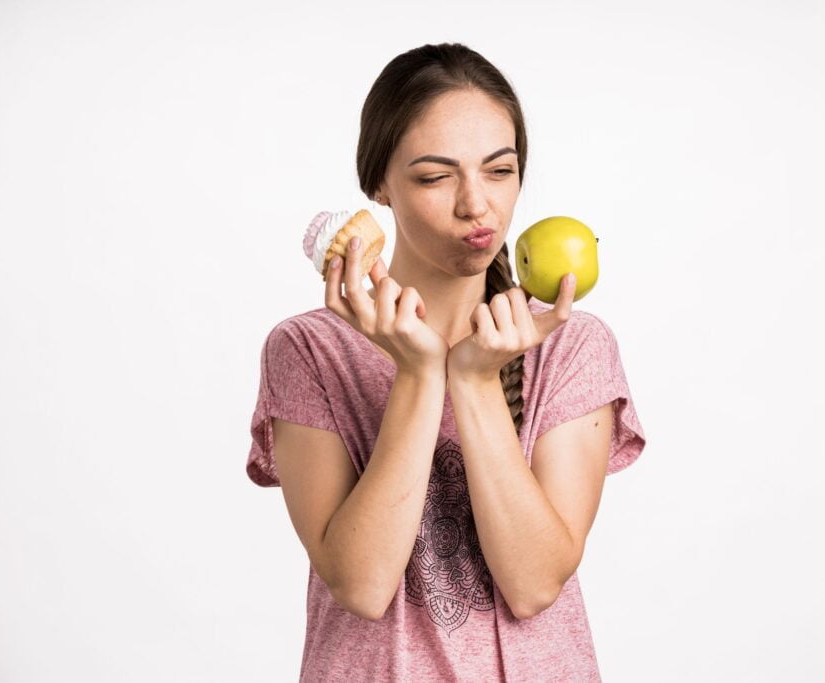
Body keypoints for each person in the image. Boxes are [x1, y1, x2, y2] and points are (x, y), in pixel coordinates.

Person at [246, 42, 647, 682]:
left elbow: (534, 582)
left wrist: (473, 377)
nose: (475, 205)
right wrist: (420, 373)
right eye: (435, 177)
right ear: (378, 183)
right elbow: (362, 584)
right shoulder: (309, 350)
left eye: (499, 170)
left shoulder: (570, 345)